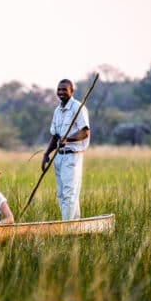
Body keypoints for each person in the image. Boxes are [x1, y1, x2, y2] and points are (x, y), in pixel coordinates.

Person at [41, 79, 90, 220]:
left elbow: (85, 132)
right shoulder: (57, 110)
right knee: (62, 194)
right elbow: (55, 135)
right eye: (59, 90)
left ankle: (66, 228)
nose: (61, 92)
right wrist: (46, 154)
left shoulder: (78, 108)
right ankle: (74, 227)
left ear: (71, 91)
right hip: (59, 156)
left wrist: (68, 139)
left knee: (70, 193)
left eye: (64, 90)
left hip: (72, 156)